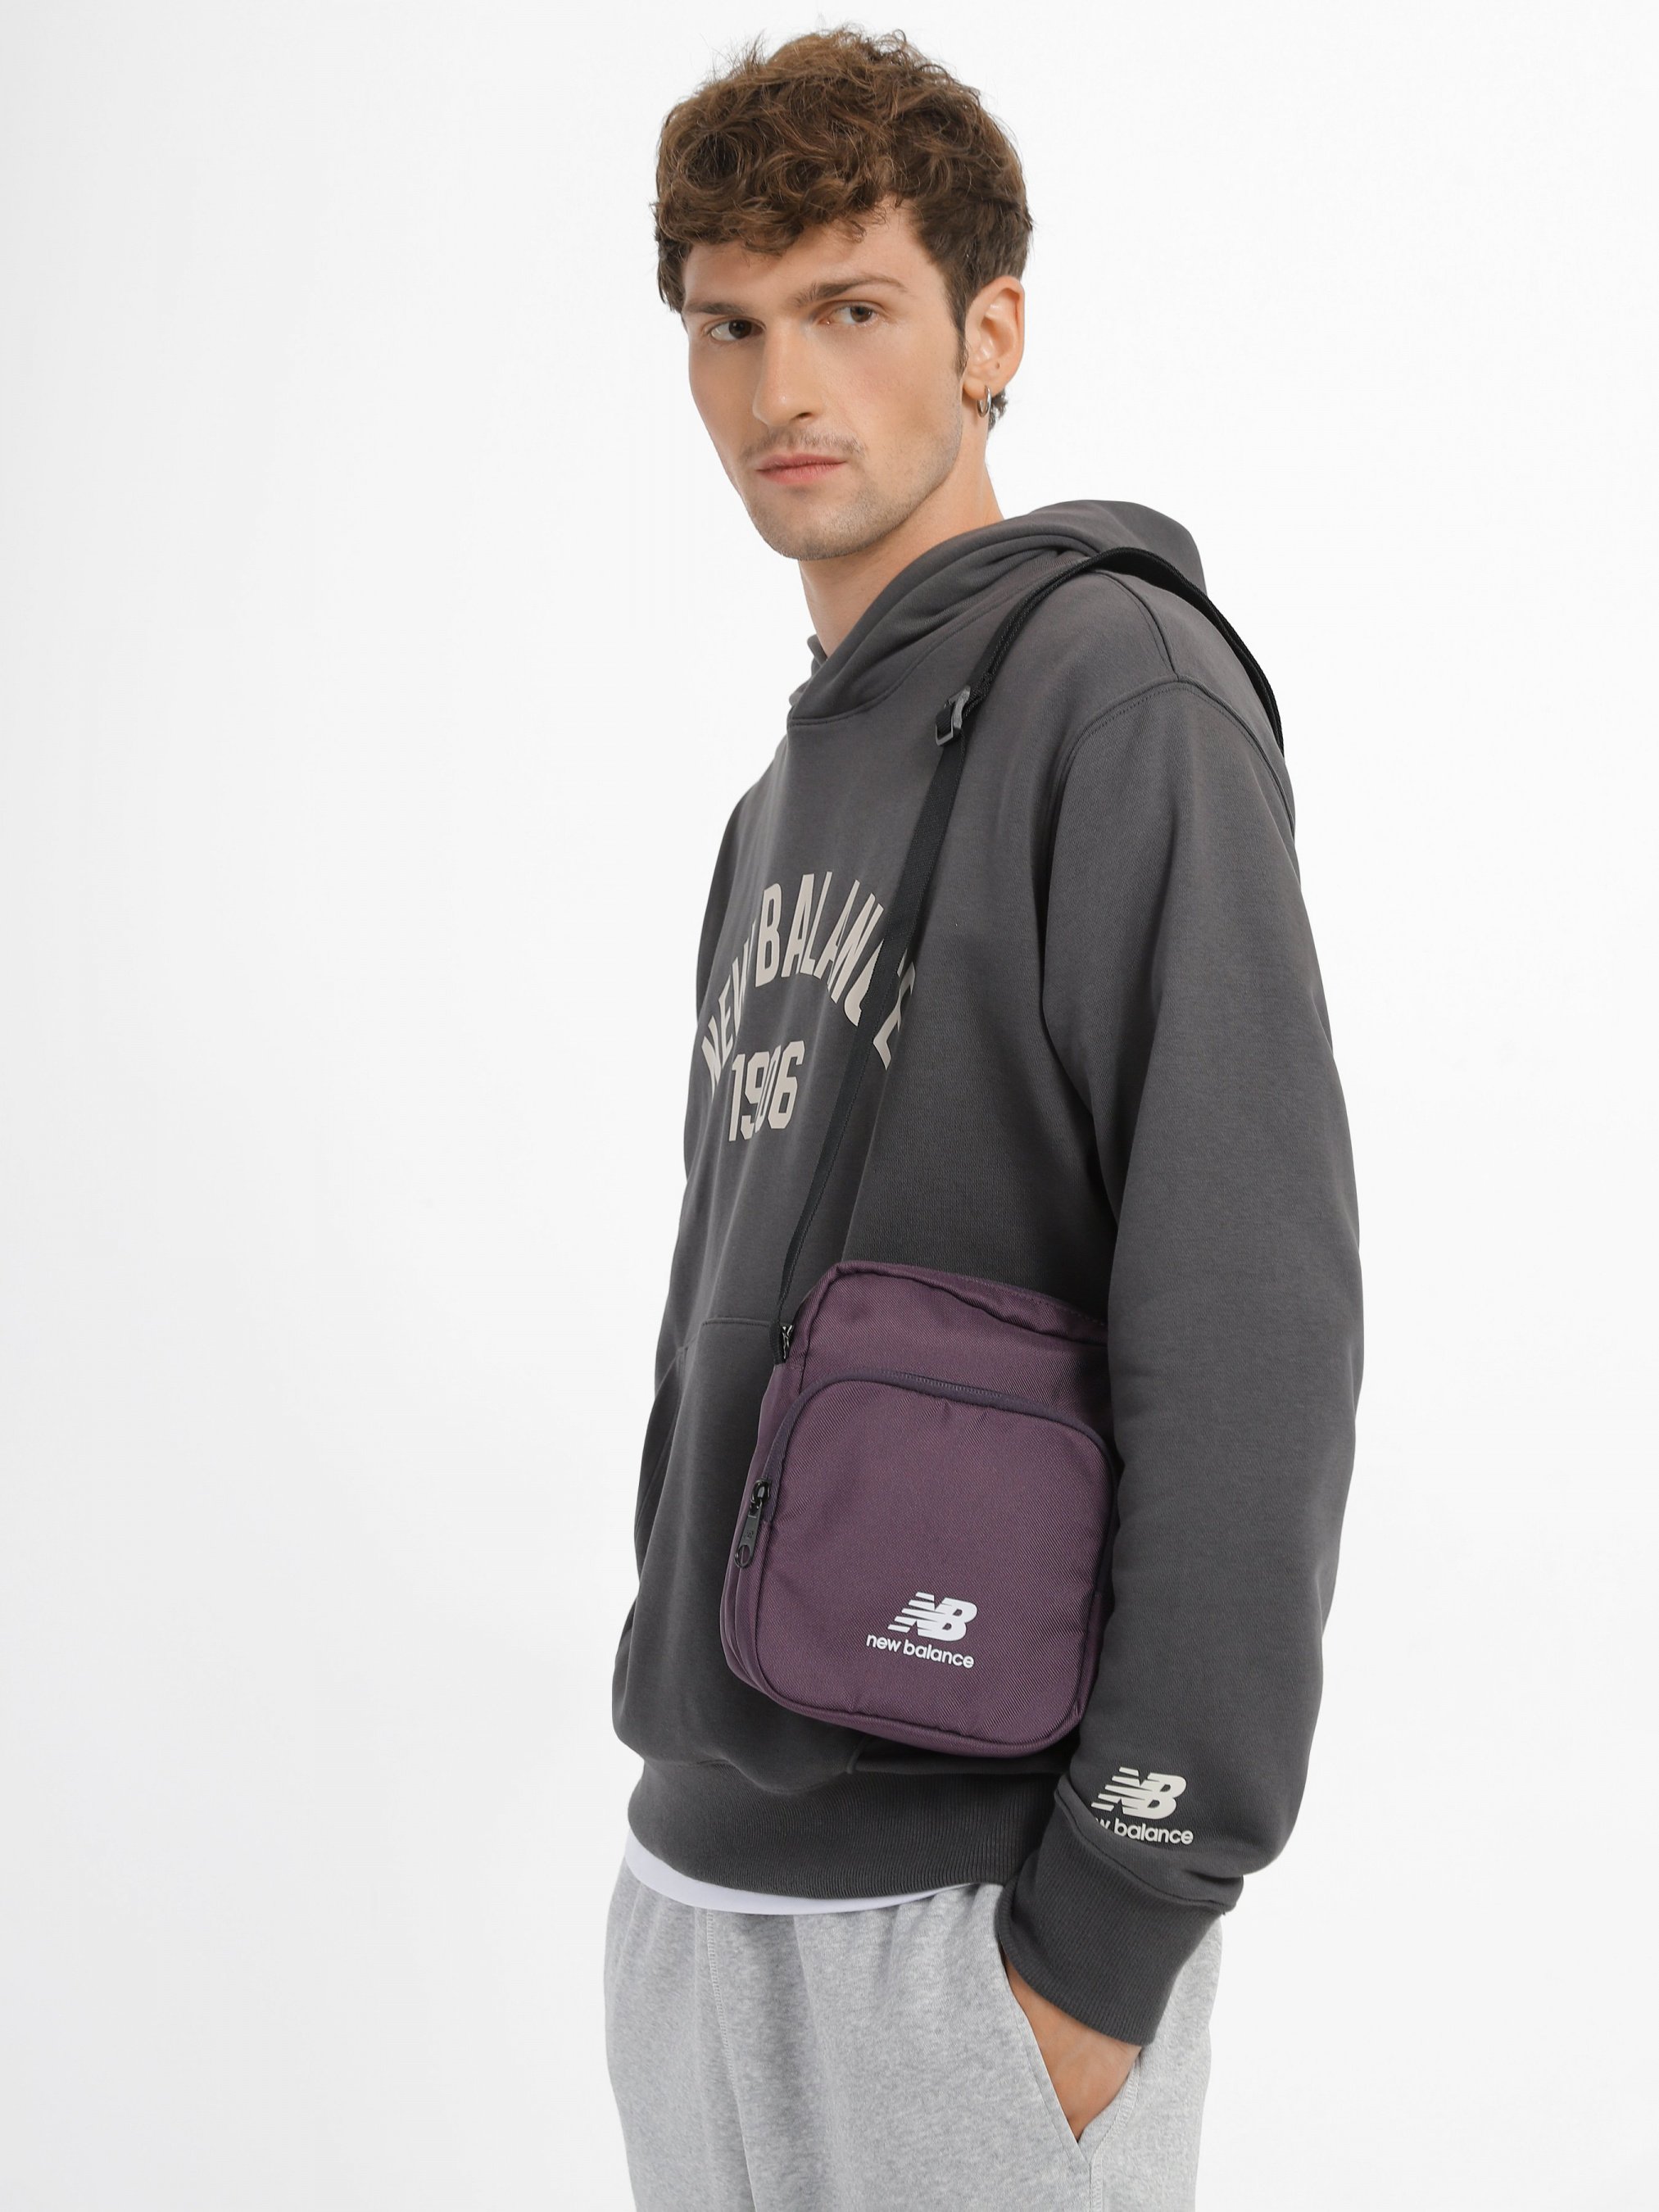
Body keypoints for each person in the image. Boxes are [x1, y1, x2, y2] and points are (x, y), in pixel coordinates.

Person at [602, 26, 1362, 2210]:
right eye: (729, 327)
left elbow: (1251, 1319)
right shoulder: (776, 805)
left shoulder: (1121, 697)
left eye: (850, 308)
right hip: (696, 1892)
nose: (782, 387)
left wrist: (1116, 1918)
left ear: (988, 333)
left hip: (973, 1923)